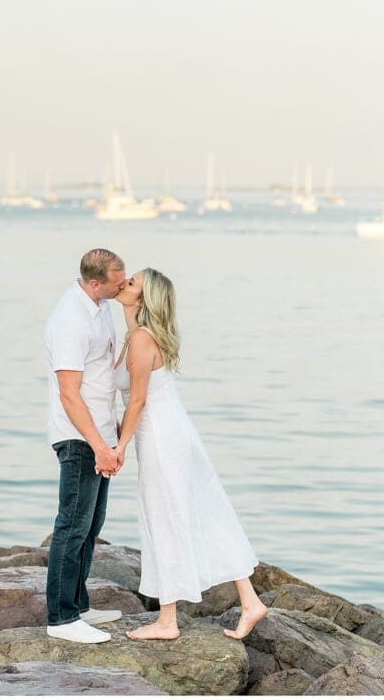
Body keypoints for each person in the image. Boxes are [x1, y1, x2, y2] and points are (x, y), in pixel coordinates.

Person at [111, 267, 268, 642]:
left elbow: (137, 399)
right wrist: (129, 306)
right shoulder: (140, 334)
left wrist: (119, 447)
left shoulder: (142, 340)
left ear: (145, 299)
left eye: (131, 283)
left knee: (166, 519)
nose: (123, 283)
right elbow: (134, 325)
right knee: (204, 512)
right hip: (171, 436)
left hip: (164, 440)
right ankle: (250, 602)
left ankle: (168, 621)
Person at [44, 248, 128, 643]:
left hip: (100, 434)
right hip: (79, 436)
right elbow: (69, 394)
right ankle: (61, 619)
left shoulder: (99, 306)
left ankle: (79, 606)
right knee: (72, 525)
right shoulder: (69, 320)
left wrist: (112, 438)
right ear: (96, 282)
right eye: (117, 281)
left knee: (91, 524)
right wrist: (98, 445)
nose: (123, 285)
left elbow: (102, 374)